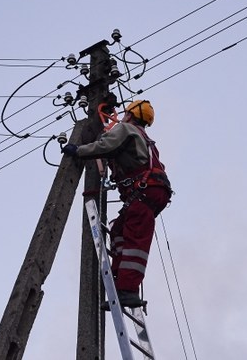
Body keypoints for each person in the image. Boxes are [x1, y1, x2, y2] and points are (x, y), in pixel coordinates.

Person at [61, 100, 172, 307]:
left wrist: (78, 150)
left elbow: (105, 146)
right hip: (152, 193)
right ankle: (119, 282)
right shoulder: (146, 140)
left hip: (143, 192)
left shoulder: (126, 129)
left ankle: (127, 290)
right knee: (119, 229)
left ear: (129, 115)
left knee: (135, 239)